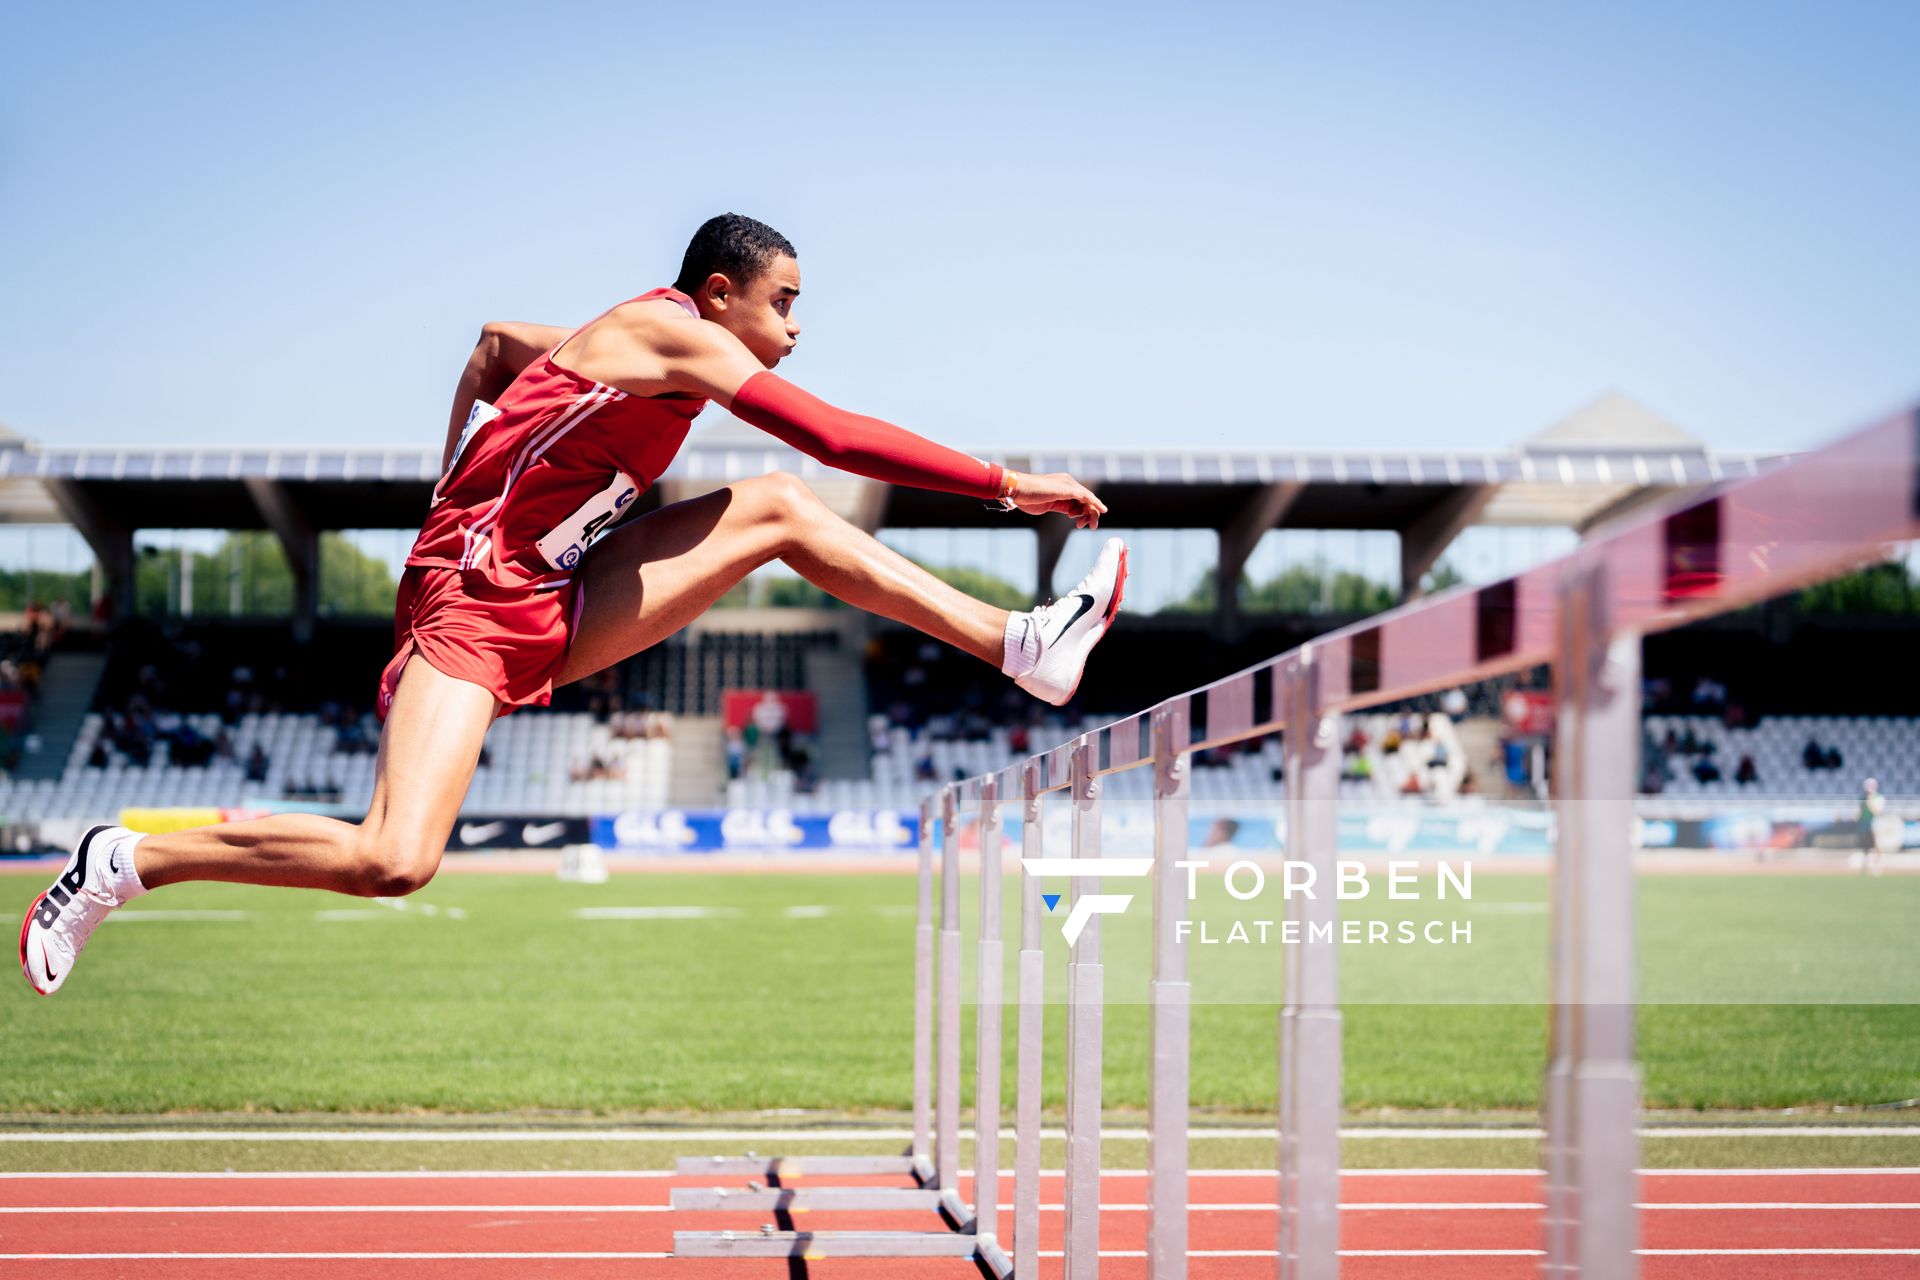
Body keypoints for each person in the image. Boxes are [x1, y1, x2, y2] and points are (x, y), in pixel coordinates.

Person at [22, 214, 1128, 995]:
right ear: (717, 297)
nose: (797, 327)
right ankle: (126, 860)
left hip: (550, 593)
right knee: (395, 859)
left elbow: (495, 342)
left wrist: (459, 451)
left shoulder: (623, 350)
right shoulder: (670, 333)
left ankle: (1019, 642)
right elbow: (833, 432)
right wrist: (1004, 482)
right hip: (469, 604)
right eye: (784, 304)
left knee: (782, 511)